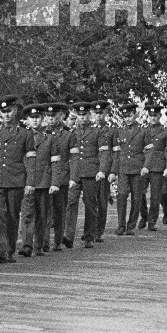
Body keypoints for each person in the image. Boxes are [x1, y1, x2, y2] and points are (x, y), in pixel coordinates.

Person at [0, 95, 36, 264]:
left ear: (16, 111)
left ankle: (10, 250)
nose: (6, 115)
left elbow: (30, 160)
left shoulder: (25, 134)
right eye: (3, 112)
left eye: (9, 111)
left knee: (12, 216)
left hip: (16, 179)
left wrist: (30, 182)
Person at [65, 101, 107, 249]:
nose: (82, 118)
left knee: (90, 205)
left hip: (91, 172)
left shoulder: (97, 132)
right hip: (75, 173)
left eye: (85, 115)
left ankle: (89, 236)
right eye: (80, 115)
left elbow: (103, 153)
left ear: (90, 115)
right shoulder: (72, 133)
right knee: (71, 203)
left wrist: (102, 170)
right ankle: (68, 235)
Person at [19, 104, 53, 257]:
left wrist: (54, 182)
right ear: (27, 119)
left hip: (44, 181)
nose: (34, 120)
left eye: (37, 117)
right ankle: (26, 244)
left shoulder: (50, 138)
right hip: (26, 181)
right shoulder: (21, 136)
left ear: (42, 118)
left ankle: (38, 245)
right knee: (27, 214)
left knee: (42, 215)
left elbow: (55, 162)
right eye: (31, 118)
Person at [113, 102, 147, 235]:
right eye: (125, 116)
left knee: (136, 197)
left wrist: (146, 166)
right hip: (123, 168)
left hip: (138, 168)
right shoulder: (119, 131)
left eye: (130, 115)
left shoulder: (143, 131)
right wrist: (113, 171)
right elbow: (116, 153)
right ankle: (121, 225)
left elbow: (149, 151)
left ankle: (131, 225)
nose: (128, 119)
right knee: (121, 195)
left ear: (136, 115)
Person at [45, 103, 72, 251]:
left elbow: (72, 158)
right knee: (45, 211)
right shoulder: (41, 133)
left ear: (60, 116)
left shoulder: (68, 134)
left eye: (53, 116)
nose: (50, 119)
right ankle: (44, 241)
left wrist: (73, 177)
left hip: (62, 176)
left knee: (59, 210)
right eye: (48, 116)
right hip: (45, 176)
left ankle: (58, 241)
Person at [140, 104, 167, 231]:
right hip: (144, 166)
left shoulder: (165, 132)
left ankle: (152, 220)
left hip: (157, 166)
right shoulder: (143, 130)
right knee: (139, 192)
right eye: (151, 116)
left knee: (155, 196)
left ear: (160, 116)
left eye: (155, 116)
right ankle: (144, 215)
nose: (153, 118)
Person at [90, 101, 115, 242]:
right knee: (89, 201)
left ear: (105, 113)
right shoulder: (90, 129)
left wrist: (112, 171)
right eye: (96, 113)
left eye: (101, 113)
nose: (98, 116)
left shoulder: (111, 130)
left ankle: (99, 231)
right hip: (90, 169)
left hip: (104, 170)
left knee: (102, 201)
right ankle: (91, 229)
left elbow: (114, 153)